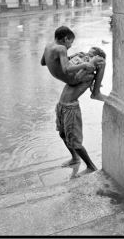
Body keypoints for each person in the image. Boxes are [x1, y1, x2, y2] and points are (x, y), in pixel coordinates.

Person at [41, 26, 104, 170]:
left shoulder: (48, 46)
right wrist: (83, 63)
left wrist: (89, 64)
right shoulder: (61, 50)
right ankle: (75, 159)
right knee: (63, 134)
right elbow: (66, 69)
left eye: (91, 55)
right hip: (62, 103)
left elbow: (44, 62)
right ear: (65, 39)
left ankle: (91, 166)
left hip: (70, 106)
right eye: (70, 42)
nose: (70, 46)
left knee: (75, 141)